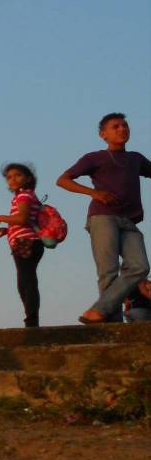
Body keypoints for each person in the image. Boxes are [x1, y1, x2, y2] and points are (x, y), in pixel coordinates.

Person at [57, 113, 151, 324]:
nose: (122, 129)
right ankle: (112, 322)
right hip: (103, 217)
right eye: (115, 126)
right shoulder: (95, 158)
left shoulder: (136, 159)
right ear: (103, 134)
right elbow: (63, 180)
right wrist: (93, 193)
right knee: (108, 271)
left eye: (125, 125)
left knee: (139, 266)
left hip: (129, 221)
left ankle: (98, 310)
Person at [0, 163, 45, 327]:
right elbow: (26, 222)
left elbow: (21, 218)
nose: (13, 179)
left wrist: (1, 217)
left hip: (25, 242)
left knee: (26, 281)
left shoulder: (24, 196)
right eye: (9, 177)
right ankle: (31, 317)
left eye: (17, 175)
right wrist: (7, 231)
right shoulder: (27, 196)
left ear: (28, 178)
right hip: (27, 241)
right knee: (25, 280)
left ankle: (31, 319)